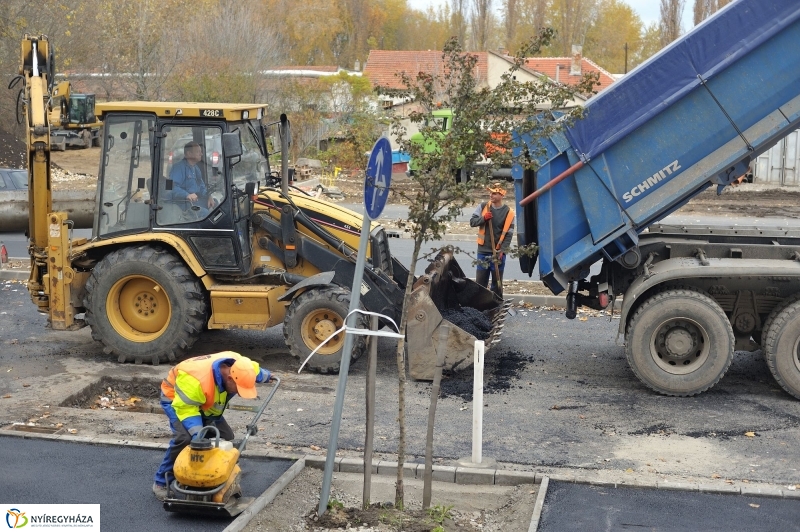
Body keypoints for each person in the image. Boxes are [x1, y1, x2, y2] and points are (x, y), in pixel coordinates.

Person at [152, 351, 272, 501]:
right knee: (185, 438)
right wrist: (198, 435)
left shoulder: (239, 364)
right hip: (177, 400)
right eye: (239, 389)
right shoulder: (195, 380)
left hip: (205, 400)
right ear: (229, 378)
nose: (240, 394)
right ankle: (161, 482)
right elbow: (186, 409)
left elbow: (253, 370)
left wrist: (267, 375)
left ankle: (213, 475)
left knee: (226, 437)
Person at [469, 182, 515, 298]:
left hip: (498, 253)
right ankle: (479, 306)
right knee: (480, 283)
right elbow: (472, 222)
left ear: (502, 195)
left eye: (494, 193)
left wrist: (503, 251)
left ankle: (497, 304)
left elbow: (509, 234)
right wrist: (483, 218)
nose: (491, 195)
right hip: (483, 252)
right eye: (491, 193)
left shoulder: (509, 213)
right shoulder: (483, 207)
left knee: (497, 283)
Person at [167, 141, 215, 218]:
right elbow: (170, 188)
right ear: (189, 154)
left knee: (216, 204)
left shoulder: (195, 168)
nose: (201, 154)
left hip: (195, 201)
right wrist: (187, 195)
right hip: (183, 204)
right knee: (205, 213)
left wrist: (208, 196)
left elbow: (201, 186)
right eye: (198, 152)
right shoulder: (178, 168)